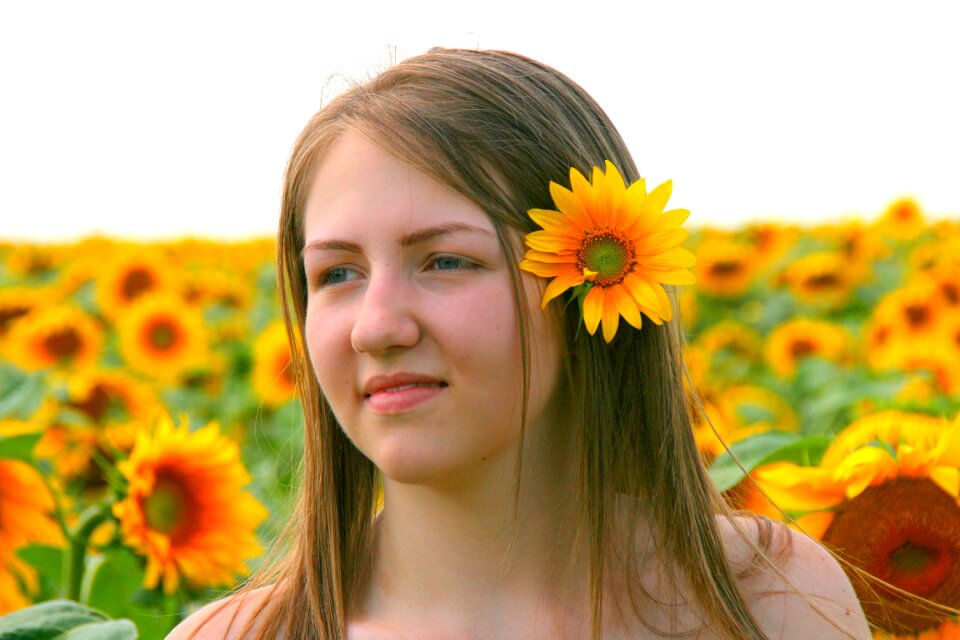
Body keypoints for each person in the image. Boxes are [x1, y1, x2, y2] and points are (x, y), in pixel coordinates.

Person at [168, 48, 871, 639]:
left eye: (446, 261)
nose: (376, 326)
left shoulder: (770, 603)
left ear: (601, 276)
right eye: (336, 273)